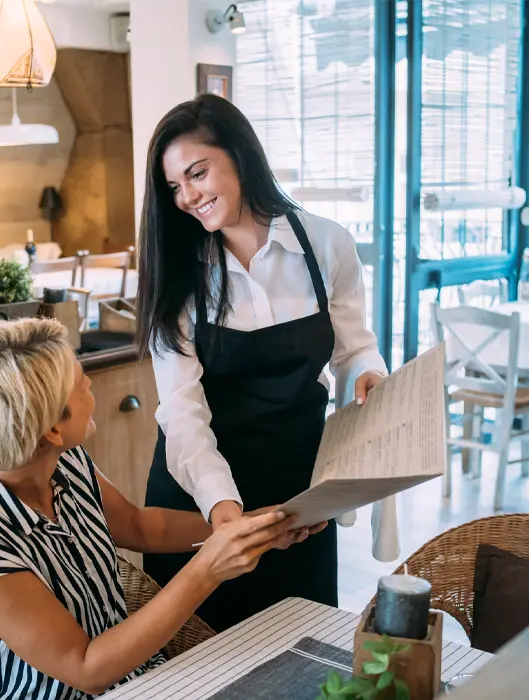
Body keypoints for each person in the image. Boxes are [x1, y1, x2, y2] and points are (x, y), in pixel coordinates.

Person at [0, 318, 308, 700]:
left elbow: (140, 526)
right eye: (80, 385)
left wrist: (249, 526)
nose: (90, 384)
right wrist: (207, 569)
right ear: (52, 431)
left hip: (138, 681)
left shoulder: (63, 461)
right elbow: (85, 668)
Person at [136, 93, 398, 633]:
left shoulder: (327, 245)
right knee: (200, 668)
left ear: (240, 154)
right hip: (200, 499)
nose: (187, 197)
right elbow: (182, 412)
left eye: (198, 173)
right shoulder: (179, 272)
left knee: (303, 656)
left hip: (298, 499)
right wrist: (223, 513)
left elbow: (355, 348)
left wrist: (369, 375)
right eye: (174, 187)